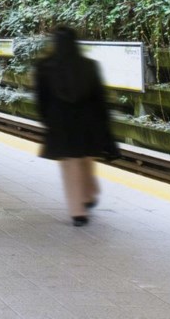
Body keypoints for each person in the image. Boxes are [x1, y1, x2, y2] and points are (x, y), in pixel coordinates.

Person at [35, 26, 118, 227]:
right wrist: (105, 123)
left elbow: (41, 99)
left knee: (70, 165)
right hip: (88, 120)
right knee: (87, 159)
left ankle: (77, 212)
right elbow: (100, 97)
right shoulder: (88, 65)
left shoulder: (44, 66)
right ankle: (89, 194)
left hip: (61, 122)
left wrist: (47, 121)